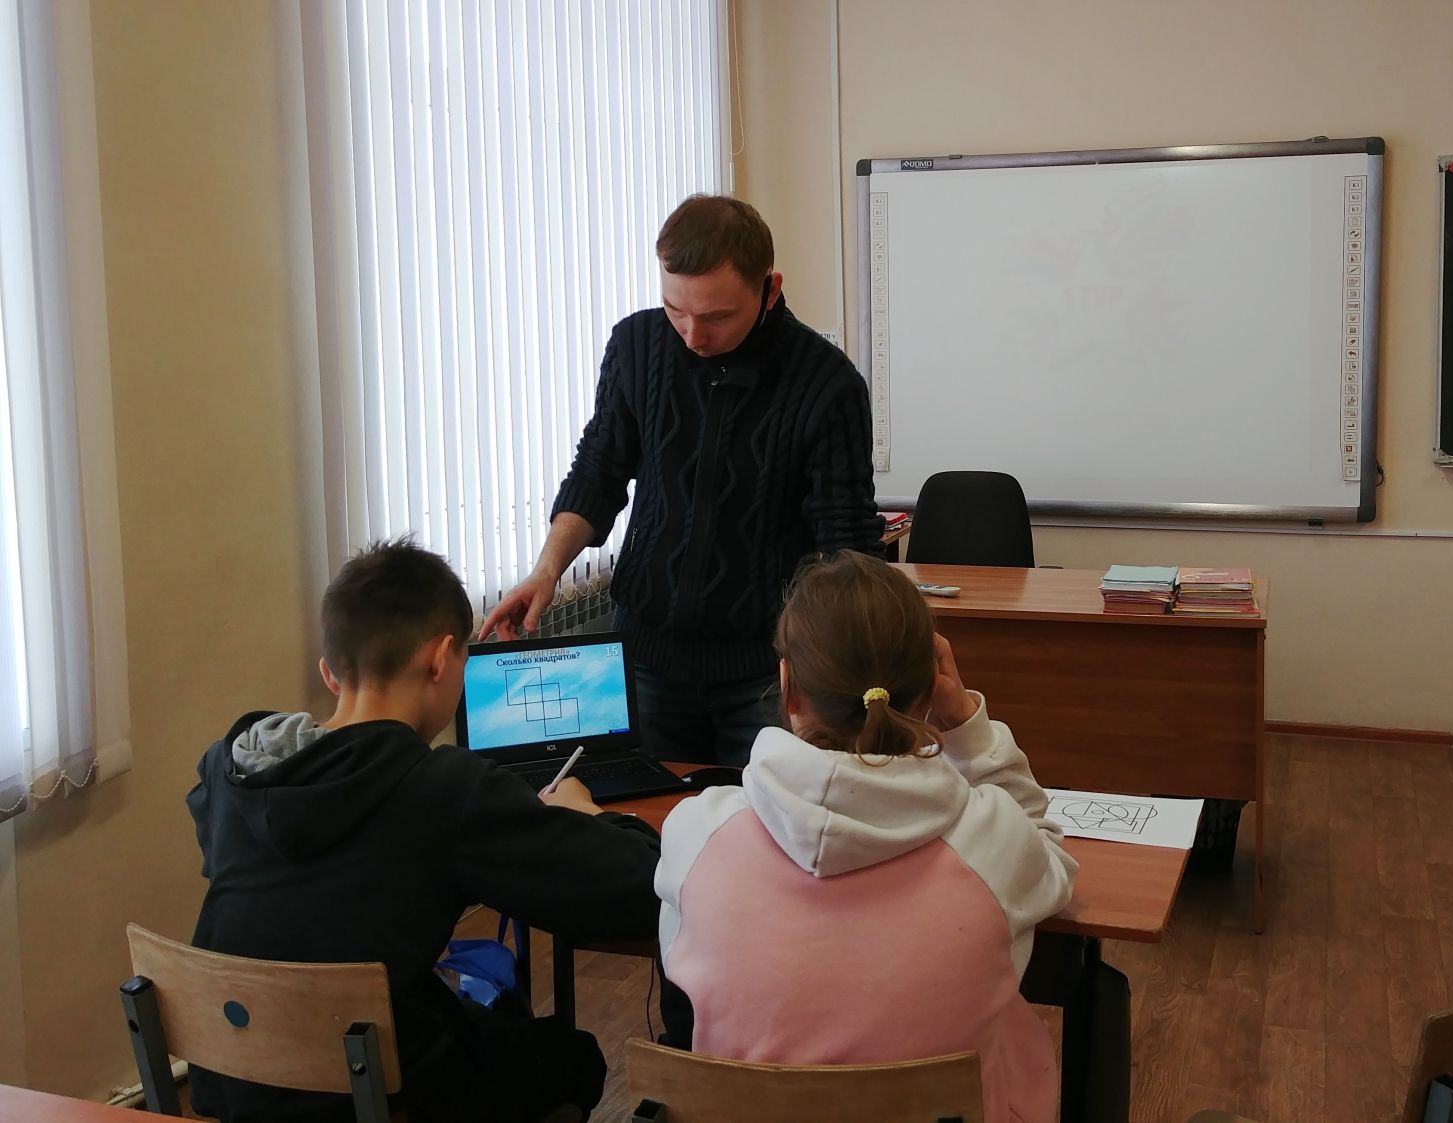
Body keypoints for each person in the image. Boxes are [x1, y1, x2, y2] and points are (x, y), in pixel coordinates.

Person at [185, 538, 660, 1122]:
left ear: (331, 675)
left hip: (236, 1080)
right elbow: (639, 886)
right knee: (572, 1057)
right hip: (367, 1096)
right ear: (440, 659)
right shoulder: (441, 790)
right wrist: (586, 817)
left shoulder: (231, 768)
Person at [653, 550, 1078, 1123]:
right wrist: (968, 727)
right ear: (931, 687)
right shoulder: (990, 842)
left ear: (787, 686)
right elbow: (1047, 852)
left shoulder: (698, 831)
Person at [481, 194, 883, 768]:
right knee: (640, 811)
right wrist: (546, 570)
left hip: (769, 674)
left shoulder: (827, 384)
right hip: (645, 660)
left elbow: (846, 544)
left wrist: (843, 670)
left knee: (765, 819)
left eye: (717, 317)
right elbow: (598, 469)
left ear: (770, 290)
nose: (692, 335)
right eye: (676, 309)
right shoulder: (636, 346)